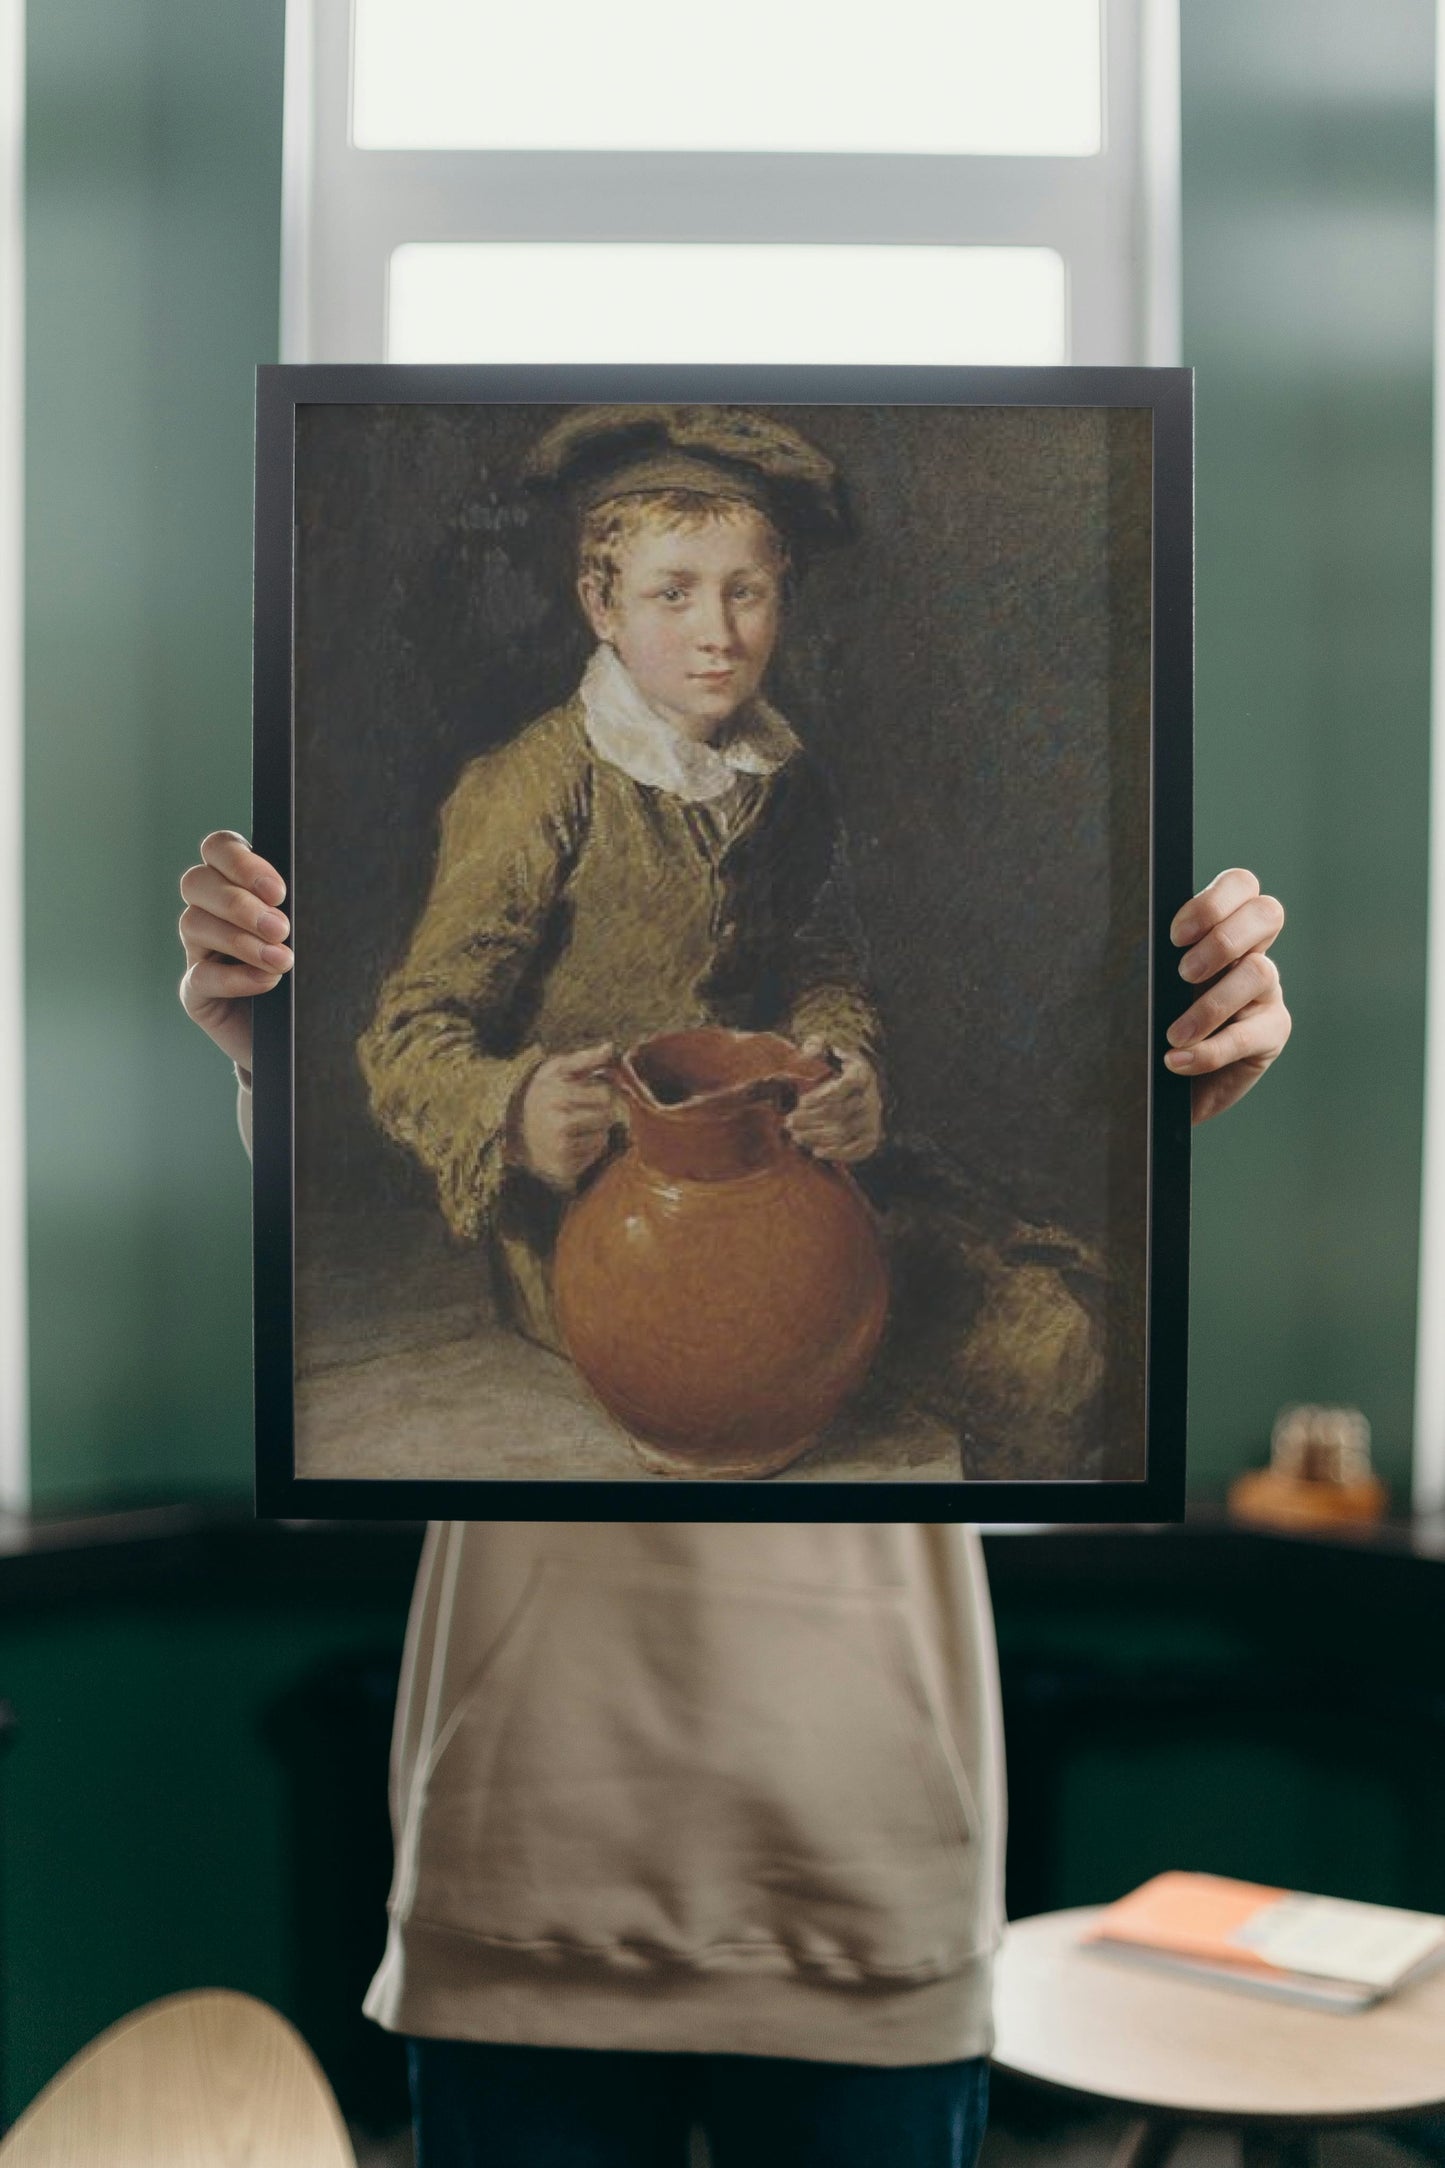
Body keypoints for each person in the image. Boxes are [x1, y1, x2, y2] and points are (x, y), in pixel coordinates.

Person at [178, 411, 1291, 2168]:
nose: (719, 632)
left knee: (1053, 1333)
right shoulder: (530, 786)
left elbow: (831, 969)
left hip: (867, 1858)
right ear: (597, 601)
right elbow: (409, 1032)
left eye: (752, 594)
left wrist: (888, 1072)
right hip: (535, 1847)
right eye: (678, 592)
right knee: (695, 1339)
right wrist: (488, 1103)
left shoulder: (790, 782)